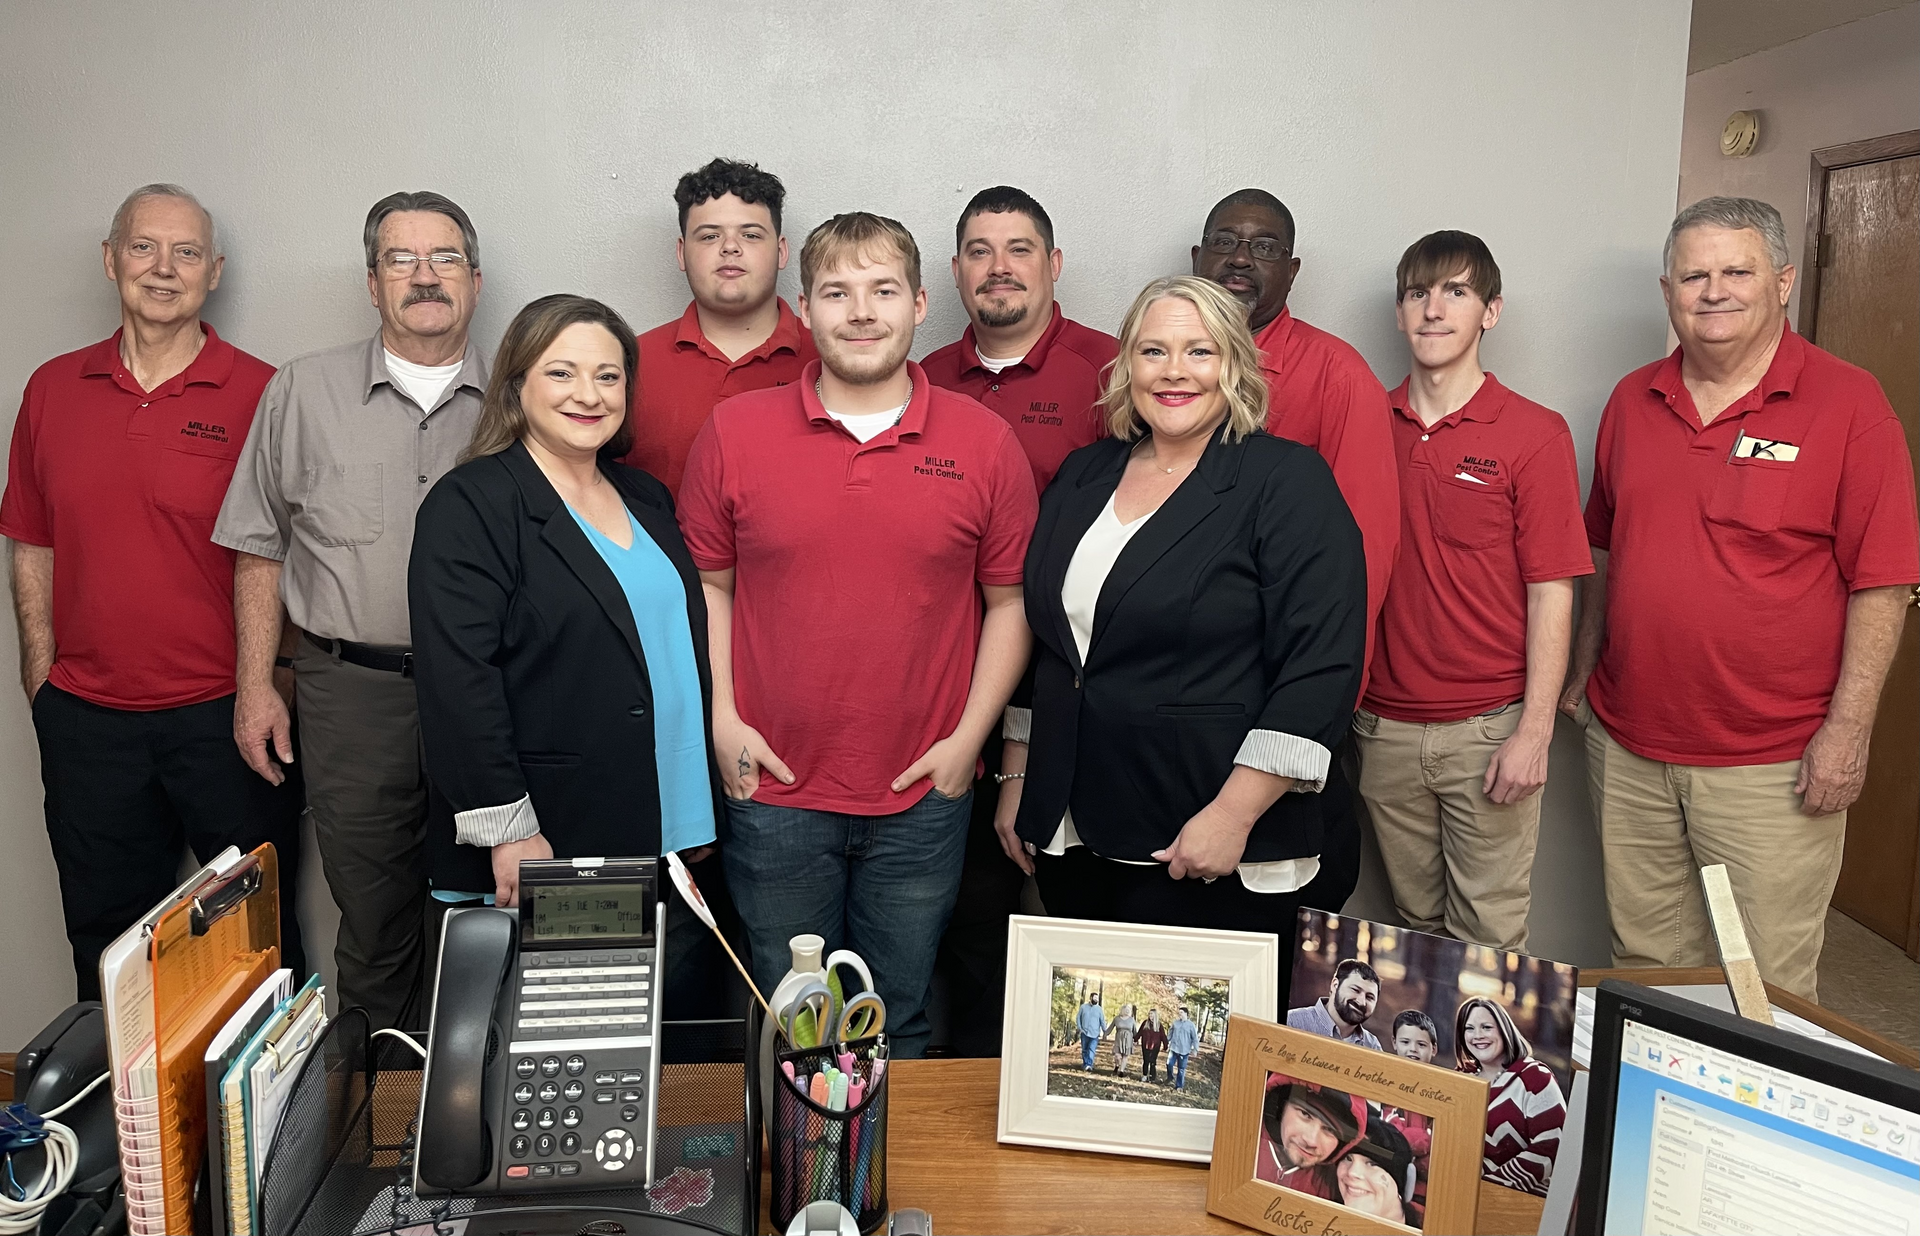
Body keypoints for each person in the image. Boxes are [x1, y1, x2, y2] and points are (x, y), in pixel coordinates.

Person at [678, 212, 1038, 1059]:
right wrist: (723, 719)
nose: (861, 311)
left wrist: (966, 744)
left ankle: (874, 1193)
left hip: (922, 795)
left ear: (918, 305)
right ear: (806, 309)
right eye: (838, 292)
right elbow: (710, 589)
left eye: (882, 291)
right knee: (789, 1021)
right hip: (773, 792)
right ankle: (798, 1194)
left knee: (898, 1015)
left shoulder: (985, 443)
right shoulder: (736, 433)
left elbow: (1010, 606)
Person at [1560, 196, 1920, 1002]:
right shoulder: (1631, 401)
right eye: (1694, 274)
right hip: (1630, 749)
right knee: (1650, 970)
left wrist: (1848, 734)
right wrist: (1584, 666)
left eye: (1736, 271)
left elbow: (1884, 584)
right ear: (1667, 291)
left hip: (1775, 761)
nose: (1712, 290)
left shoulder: (1849, 405)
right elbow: (1609, 550)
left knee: (1767, 989)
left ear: (1783, 282)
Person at [1002, 276, 1364, 1000]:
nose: (1174, 370)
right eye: (1153, 350)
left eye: (1199, 351)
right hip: (1079, 835)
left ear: (1233, 364)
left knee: (1209, 1080)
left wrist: (1233, 814)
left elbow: (1320, 665)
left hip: (1214, 844)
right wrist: (1018, 778)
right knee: (1098, 1062)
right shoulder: (1084, 474)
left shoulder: (1284, 480)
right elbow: (1052, 644)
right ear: (1125, 366)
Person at [3, 184, 305, 998]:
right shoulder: (52, 389)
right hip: (87, 720)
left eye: (186, 253)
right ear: (111, 260)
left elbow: (282, 551)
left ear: (214, 273)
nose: (163, 269)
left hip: (228, 718)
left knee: (258, 949)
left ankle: (271, 1127)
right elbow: (31, 537)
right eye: (143, 247)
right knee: (106, 950)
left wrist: (261, 687)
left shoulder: (264, 393)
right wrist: (41, 674)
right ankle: (118, 1124)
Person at [408, 294, 728, 1012]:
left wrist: (694, 806)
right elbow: (458, 681)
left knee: (660, 1038)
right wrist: (509, 826)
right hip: (553, 834)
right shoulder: (473, 504)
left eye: (609, 376)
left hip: (665, 825)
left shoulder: (643, 495)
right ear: (517, 383)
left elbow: (673, 652)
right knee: (572, 1043)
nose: (589, 394)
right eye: (562, 373)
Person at [215, 190, 488, 1031]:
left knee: (490, 915)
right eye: (401, 260)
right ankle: (374, 1129)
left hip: (487, 697)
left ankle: (475, 1128)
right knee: (372, 923)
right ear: (372, 283)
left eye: (443, 258)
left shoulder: (523, 396)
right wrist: (255, 685)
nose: (424, 276)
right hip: (350, 696)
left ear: (474, 280)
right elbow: (259, 544)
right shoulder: (303, 390)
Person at [1356, 232, 1593, 952]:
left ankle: (1490, 1071)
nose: (1434, 309)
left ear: (1489, 312)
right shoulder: (1366, 423)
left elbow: (1553, 591)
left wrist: (1535, 730)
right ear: (1399, 312)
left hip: (1488, 729)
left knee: (1487, 936)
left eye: (1455, 292)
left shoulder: (1533, 433)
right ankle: (1426, 1069)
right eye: (1417, 293)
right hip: (1381, 729)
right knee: (1415, 933)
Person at [922, 186, 1118, 1057]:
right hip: (948, 682)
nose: (999, 267)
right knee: (966, 910)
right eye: (978, 250)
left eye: (1020, 248)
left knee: (1076, 909)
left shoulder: (1115, 372)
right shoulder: (921, 378)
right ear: (956, 271)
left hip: (1081, 687)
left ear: (1055, 264)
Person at [1191, 188, 1398, 913]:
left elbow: (1362, 559)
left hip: (1286, 693)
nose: (1242, 258)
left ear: (1293, 269)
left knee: (1282, 892)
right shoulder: (1166, 368)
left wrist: (1326, 706)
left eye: (1265, 245)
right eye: (1226, 240)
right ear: (1198, 257)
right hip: (1182, 697)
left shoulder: (1338, 376)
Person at [619, 158, 815, 498]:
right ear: (681, 254)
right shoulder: (629, 362)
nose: (730, 247)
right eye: (710, 236)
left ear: (782, 252)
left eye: (751, 235)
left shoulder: (830, 357)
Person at [1455, 997, 1565, 1196]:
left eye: (1486, 1027)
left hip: (1521, 1203)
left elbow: (1551, 1146)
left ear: (1504, 1030)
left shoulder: (1535, 1077)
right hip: (1459, 1194)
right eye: (1469, 1028)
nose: (1477, 1035)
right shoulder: (1460, 1079)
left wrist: (1490, 1188)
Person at [1255, 1078, 1362, 1197]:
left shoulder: (1336, 1189)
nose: (1311, 1141)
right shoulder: (1239, 1137)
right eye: (1305, 1114)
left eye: (1330, 1130)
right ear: (1281, 1107)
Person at [1385, 1010, 1440, 1219]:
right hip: (1392, 1179)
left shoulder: (1440, 1090)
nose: (1412, 1050)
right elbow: (1390, 1131)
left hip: (1427, 1190)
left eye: (1421, 1045)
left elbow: (1442, 1142)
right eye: (1406, 1042)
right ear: (1394, 1043)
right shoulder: (1386, 1081)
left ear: (1433, 1049)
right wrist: (1424, 1139)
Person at [1286, 959, 1383, 1050]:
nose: (1361, 1002)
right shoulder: (1291, 1023)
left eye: (1369, 997)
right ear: (1335, 985)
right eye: (1355, 990)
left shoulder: (1372, 1046)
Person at [1167, 1005, 1200, 1091]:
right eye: (1179, 1012)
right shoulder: (1175, 1023)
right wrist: (1166, 1041)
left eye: (1181, 1012)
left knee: (1181, 1069)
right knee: (1169, 1064)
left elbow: (1195, 1038)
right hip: (1174, 1048)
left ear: (1186, 1014)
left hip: (1184, 1051)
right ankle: (1170, 1077)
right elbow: (1170, 1032)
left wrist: (1195, 1049)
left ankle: (1179, 1086)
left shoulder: (1191, 1025)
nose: (1179, 1014)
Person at [1076, 991, 1106, 1070]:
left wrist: (1105, 1031)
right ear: (1090, 998)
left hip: (1095, 1033)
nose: (1096, 999)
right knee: (1084, 1049)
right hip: (1084, 1032)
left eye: (1097, 998)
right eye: (1094, 998)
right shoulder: (1083, 1007)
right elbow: (1078, 1018)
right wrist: (1080, 1028)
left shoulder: (1099, 1009)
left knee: (1092, 1049)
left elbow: (1102, 1021)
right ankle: (1085, 1064)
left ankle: (1089, 1064)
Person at [1138, 1008, 1167, 1081]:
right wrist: (1135, 1039)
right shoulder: (1145, 1023)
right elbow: (1139, 1032)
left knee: (1153, 1062)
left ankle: (1152, 1076)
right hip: (1146, 1045)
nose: (1150, 1016)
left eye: (1152, 1014)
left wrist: (1165, 1046)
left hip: (1155, 1046)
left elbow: (1163, 1036)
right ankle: (1144, 1075)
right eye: (1149, 1014)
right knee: (1146, 1060)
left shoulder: (1159, 1025)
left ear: (1155, 1015)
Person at [1110, 1002, 1139, 1077]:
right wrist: (1105, 1034)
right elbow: (1111, 1027)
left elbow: (1134, 1030)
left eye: (1128, 1010)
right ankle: (1117, 1065)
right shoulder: (1117, 1019)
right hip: (1119, 1039)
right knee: (1117, 1056)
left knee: (1125, 1056)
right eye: (1126, 1010)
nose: (1127, 1011)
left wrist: (1136, 1039)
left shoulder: (1132, 1020)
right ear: (1122, 1010)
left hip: (1128, 1039)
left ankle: (1121, 1071)